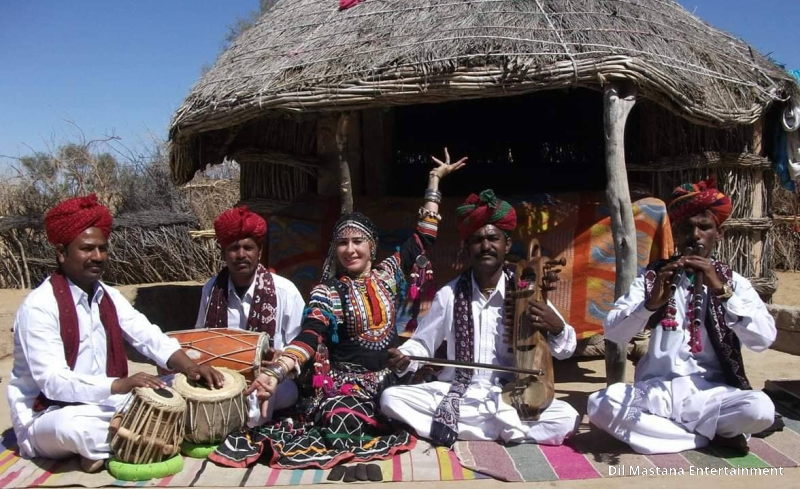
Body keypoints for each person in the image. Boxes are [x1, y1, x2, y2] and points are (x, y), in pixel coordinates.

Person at [209, 149, 465, 469]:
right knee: (342, 421)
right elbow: (310, 335)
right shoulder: (327, 292)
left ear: (372, 246)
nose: (350, 249)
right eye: (343, 243)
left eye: (358, 241)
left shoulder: (389, 275)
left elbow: (424, 237)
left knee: (440, 400)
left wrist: (434, 182)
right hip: (347, 386)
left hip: (391, 380)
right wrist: (276, 371)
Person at [7, 195, 224, 473]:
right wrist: (120, 385)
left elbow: (147, 335)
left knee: (183, 389)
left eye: (102, 248)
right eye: (87, 249)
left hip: (108, 403)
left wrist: (191, 368)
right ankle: (123, 440)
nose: (98, 257)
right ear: (61, 253)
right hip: (50, 414)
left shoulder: (107, 295)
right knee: (75, 428)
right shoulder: (40, 306)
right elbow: (53, 382)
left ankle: (110, 446)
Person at [587, 178, 776, 454]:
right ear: (674, 232)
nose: (695, 236)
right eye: (686, 228)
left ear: (719, 234)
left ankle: (667, 433)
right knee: (600, 404)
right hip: (655, 393)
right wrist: (650, 305)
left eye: (704, 227)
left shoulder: (734, 283)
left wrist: (723, 292)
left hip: (712, 394)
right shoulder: (652, 278)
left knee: (760, 410)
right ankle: (701, 438)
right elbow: (613, 333)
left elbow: (763, 340)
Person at [380, 189, 580, 447]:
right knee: (391, 399)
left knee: (567, 417)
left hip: (513, 396)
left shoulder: (527, 290)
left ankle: (460, 427)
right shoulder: (449, 294)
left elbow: (566, 350)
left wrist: (557, 327)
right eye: (477, 240)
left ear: (507, 245)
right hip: (457, 394)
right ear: (467, 248)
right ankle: (504, 428)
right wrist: (405, 356)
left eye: (493, 239)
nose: (486, 246)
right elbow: (422, 344)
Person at [195, 205, 305, 424]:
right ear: (223, 253)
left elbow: (300, 345)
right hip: (224, 376)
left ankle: (245, 430)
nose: (241, 255)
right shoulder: (211, 289)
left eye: (248, 247)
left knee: (255, 400)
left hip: (274, 379)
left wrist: (280, 361)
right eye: (233, 248)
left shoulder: (284, 290)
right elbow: (202, 338)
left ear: (259, 251)